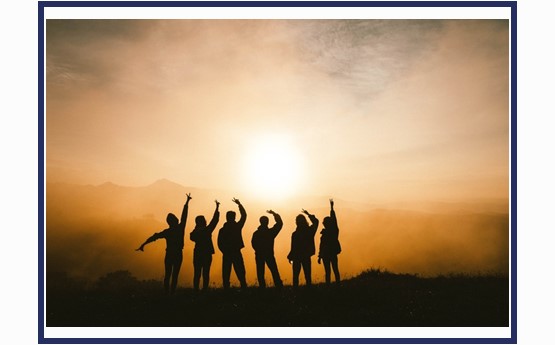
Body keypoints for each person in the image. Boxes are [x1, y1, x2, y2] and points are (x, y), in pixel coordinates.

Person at [136, 193, 192, 295]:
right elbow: (184, 215)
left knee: (168, 275)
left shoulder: (167, 232)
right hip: (178, 254)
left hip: (169, 254)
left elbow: (154, 237)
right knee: (175, 275)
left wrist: (143, 244)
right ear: (175, 220)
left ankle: (167, 294)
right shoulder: (180, 228)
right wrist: (187, 203)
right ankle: (172, 293)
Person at [189, 200, 220, 291]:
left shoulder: (195, 232)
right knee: (206, 273)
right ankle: (205, 289)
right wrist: (217, 208)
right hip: (207, 253)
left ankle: (196, 290)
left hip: (197, 253)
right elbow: (215, 220)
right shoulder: (207, 230)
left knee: (197, 273)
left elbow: (192, 237)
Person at [217, 198, 248, 289]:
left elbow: (219, 243)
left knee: (226, 272)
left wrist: (224, 250)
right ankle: (243, 286)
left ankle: (227, 288)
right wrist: (239, 204)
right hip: (235, 252)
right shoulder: (237, 227)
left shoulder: (223, 230)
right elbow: (244, 215)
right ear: (234, 217)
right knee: (240, 271)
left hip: (227, 253)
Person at [251, 210, 283, 288]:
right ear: (267, 222)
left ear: (260, 222)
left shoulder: (256, 233)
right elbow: (280, 224)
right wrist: (275, 214)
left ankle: (262, 288)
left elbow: (253, 244)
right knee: (274, 271)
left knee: (260, 273)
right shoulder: (270, 232)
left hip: (259, 255)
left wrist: (258, 250)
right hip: (269, 255)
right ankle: (279, 287)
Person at [287, 209, 319, 287]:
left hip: (296, 257)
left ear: (297, 222)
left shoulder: (295, 234)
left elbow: (293, 247)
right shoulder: (309, 231)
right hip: (306, 255)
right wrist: (308, 214)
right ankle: (309, 291)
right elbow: (316, 222)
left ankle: (295, 291)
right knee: (307, 275)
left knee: (295, 276)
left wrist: (290, 256)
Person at [318, 198, 342, 285]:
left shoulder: (332, 231)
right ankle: (337, 285)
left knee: (330, 271)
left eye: (324, 222)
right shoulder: (333, 231)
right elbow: (321, 245)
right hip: (329, 253)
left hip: (328, 254)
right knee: (334, 270)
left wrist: (331, 208)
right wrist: (320, 256)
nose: (323, 224)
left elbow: (334, 219)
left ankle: (330, 286)